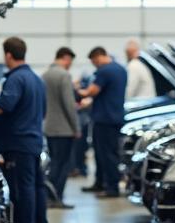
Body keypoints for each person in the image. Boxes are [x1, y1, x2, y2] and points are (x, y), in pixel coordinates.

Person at [0, 37, 47, 223]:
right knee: (33, 188)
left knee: (20, 190)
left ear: (8, 55)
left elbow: (4, 105)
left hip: (18, 144)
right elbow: (43, 110)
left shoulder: (15, 79)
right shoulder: (35, 79)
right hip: (33, 142)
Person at [78, 47, 127, 198]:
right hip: (114, 117)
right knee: (103, 154)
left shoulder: (105, 71)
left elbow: (91, 91)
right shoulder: (120, 69)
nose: (95, 65)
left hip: (105, 119)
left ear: (98, 57)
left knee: (106, 155)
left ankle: (112, 188)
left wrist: (75, 90)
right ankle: (100, 183)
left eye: (94, 62)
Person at [42, 46, 79, 207]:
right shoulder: (64, 75)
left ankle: (49, 196)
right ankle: (56, 198)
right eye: (70, 61)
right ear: (65, 58)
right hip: (64, 129)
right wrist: (76, 128)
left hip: (49, 127)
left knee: (54, 163)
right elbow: (69, 104)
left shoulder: (45, 75)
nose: (70, 64)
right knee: (62, 165)